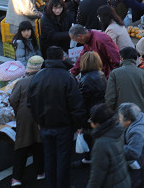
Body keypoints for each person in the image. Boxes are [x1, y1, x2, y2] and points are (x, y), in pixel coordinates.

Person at [27, 46, 86, 188]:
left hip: (45, 126)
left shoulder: (37, 77)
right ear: (62, 58)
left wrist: (38, 120)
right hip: (64, 127)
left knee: (49, 159)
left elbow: (30, 103)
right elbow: (76, 105)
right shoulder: (67, 77)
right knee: (63, 160)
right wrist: (79, 125)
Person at [9, 56, 45, 187]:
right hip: (41, 116)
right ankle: (40, 172)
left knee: (22, 144)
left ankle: (16, 178)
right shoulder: (44, 81)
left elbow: (13, 100)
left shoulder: (21, 83)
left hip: (24, 116)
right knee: (39, 144)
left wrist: (18, 111)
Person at [105, 47, 144, 127]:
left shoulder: (114, 74)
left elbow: (110, 99)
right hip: (140, 118)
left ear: (121, 58)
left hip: (121, 118)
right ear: (136, 59)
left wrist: (109, 119)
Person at [86, 104, 130, 188]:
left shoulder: (101, 144)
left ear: (98, 123)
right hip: (123, 180)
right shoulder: (117, 130)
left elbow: (97, 176)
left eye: (91, 120)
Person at [76, 52, 106, 168]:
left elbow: (82, 102)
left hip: (91, 114)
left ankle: (91, 159)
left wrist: (80, 123)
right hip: (101, 111)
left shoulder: (86, 79)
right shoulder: (101, 74)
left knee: (91, 139)